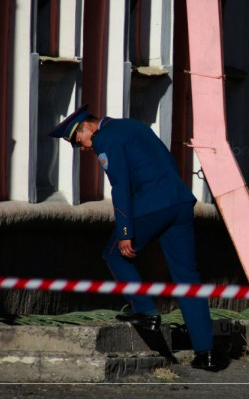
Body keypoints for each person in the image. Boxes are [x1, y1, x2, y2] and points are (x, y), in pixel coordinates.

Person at [50, 105, 226, 371]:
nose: (83, 148)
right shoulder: (132, 125)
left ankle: (144, 311)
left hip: (153, 204)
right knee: (188, 276)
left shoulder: (104, 139)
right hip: (180, 201)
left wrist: (125, 232)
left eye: (79, 142)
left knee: (113, 254)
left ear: (87, 127)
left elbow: (120, 186)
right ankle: (207, 352)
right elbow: (165, 160)